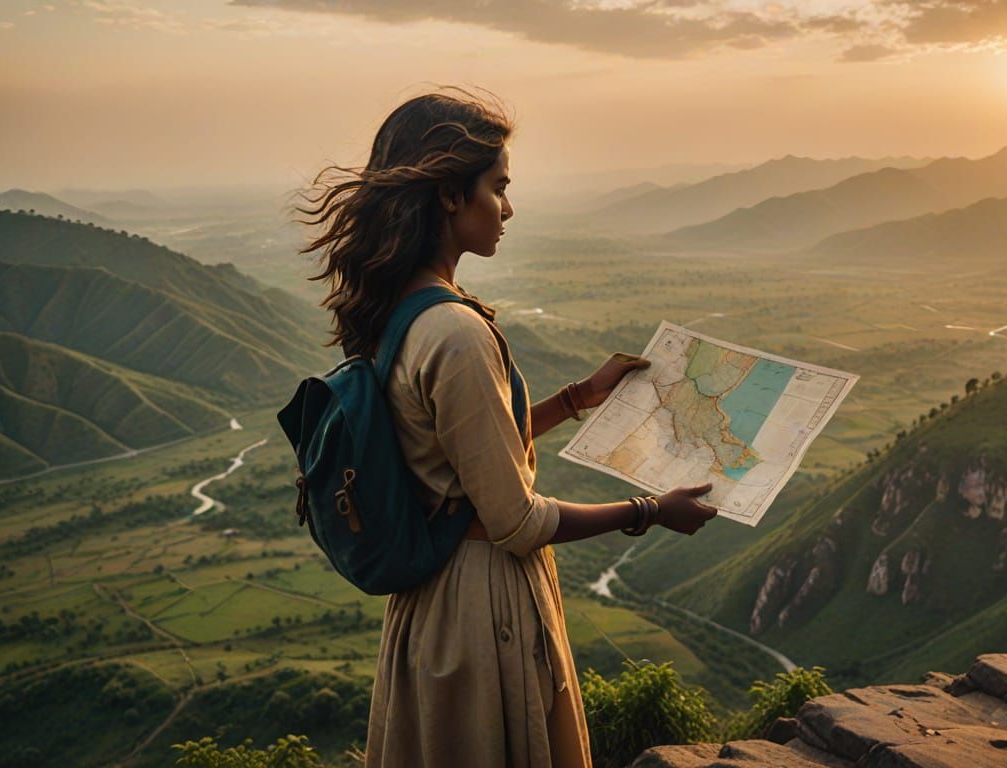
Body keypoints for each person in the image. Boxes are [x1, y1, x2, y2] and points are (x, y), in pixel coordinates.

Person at [298, 87, 719, 768]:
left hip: (435, 604)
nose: (508, 207)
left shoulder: (404, 314)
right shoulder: (457, 333)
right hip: (478, 605)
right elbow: (516, 521)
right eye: (498, 186)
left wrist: (579, 396)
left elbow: (466, 447)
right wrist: (649, 510)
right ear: (449, 196)